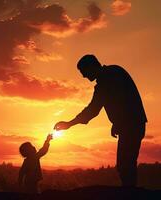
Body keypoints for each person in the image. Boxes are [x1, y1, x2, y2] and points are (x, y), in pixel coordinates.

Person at [54, 54, 147, 187]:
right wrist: (117, 123)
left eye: (83, 72)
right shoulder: (113, 73)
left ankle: (130, 193)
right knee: (126, 164)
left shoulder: (108, 79)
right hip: (133, 123)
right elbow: (118, 102)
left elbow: (93, 110)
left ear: (91, 66)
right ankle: (130, 191)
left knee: (125, 165)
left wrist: (69, 124)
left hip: (131, 125)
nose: (83, 76)